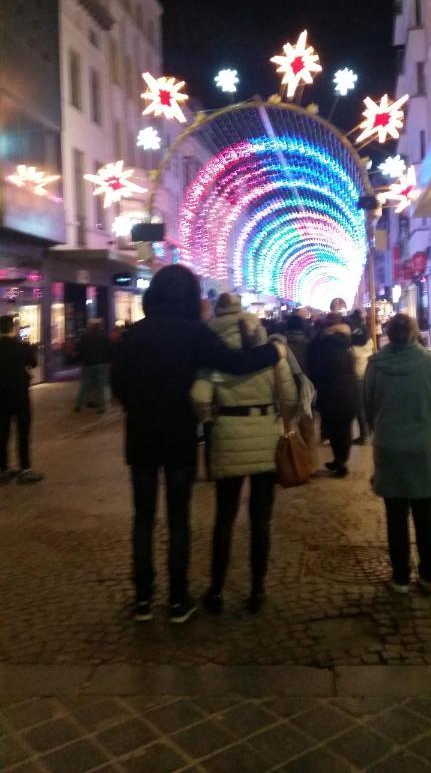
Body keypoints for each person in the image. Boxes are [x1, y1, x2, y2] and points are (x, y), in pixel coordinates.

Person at [110, 265, 284, 624]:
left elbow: (119, 388)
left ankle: (143, 600)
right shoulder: (194, 333)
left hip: (141, 437)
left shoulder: (132, 336)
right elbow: (235, 364)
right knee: (178, 520)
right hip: (178, 438)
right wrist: (273, 352)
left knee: (142, 520)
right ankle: (177, 600)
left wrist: (138, 406)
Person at [191, 293, 297, 614]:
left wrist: (207, 418)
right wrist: (283, 421)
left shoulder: (214, 355)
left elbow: (198, 397)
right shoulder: (269, 351)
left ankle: (217, 590)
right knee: (260, 519)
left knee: (224, 517)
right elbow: (289, 396)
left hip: (227, 434)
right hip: (265, 431)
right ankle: (257, 589)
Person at [364, 314, 431, 594]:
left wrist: (383, 428)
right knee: (424, 514)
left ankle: (400, 576)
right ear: (413, 334)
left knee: (395, 515)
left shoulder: (376, 365)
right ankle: (428, 575)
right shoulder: (429, 362)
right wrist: (423, 427)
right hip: (421, 447)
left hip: (389, 447)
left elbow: (368, 406)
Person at [308, 314, 357, 477]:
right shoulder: (348, 342)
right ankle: (341, 460)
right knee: (344, 428)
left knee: (334, 429)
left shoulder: (321, 345)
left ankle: (340, 461)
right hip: (348, 390)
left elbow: (315, 369)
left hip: (330, 391)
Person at [0, 315, 42, 484]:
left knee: (2, 433)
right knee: (23, 433)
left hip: (0, 397)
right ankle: (25, 469)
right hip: (19, 397)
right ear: (13, 329)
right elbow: (33, 363)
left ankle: (3, 469)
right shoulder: (21, 347)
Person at [74, 319, 111, 413]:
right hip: (101, 364)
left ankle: (78, 405)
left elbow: (80, 349)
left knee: (84, 385)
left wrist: (81, 359)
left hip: (88, 364)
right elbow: (108, 350)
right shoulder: (103, 337)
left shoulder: (85, 337)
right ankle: (101, 407)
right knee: (100, 386)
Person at [349, 309, 374, 445]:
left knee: (360, 406)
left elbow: (351, 357)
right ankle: (370, 432)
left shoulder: (352, 342)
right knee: (368, 404)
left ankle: (365, 435)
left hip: (358, 374)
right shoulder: (367, 337)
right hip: (369, 372)